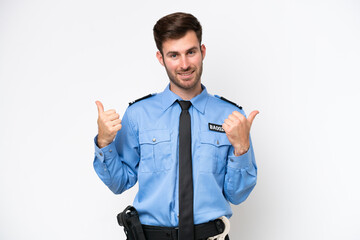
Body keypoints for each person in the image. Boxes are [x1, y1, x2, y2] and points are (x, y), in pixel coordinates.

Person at [93, 12, 258, 240]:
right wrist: (104, 142)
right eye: (174, 55)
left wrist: (242, 150)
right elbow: (119, 183)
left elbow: (237, 195)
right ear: (161, 58)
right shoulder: (138, 114)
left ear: (203, 52)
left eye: (191, 52)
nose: (184, 64)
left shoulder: (231, 116)